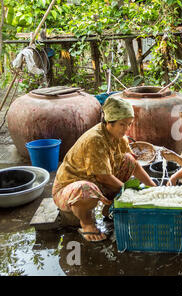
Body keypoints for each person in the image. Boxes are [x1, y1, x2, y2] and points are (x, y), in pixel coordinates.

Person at [52, 97, 156, 242]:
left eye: (129, 124)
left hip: (96, 181)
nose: (126, 129)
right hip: (70, 189)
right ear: (109, 122)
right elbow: (103, 177)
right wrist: (131, 192)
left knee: (129, 160)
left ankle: (111, 208)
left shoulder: (120, 137)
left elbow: (135, 166)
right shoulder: (95, 139)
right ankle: (86, 223)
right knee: (86, 189)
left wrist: (154, 188)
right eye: (122, 124)